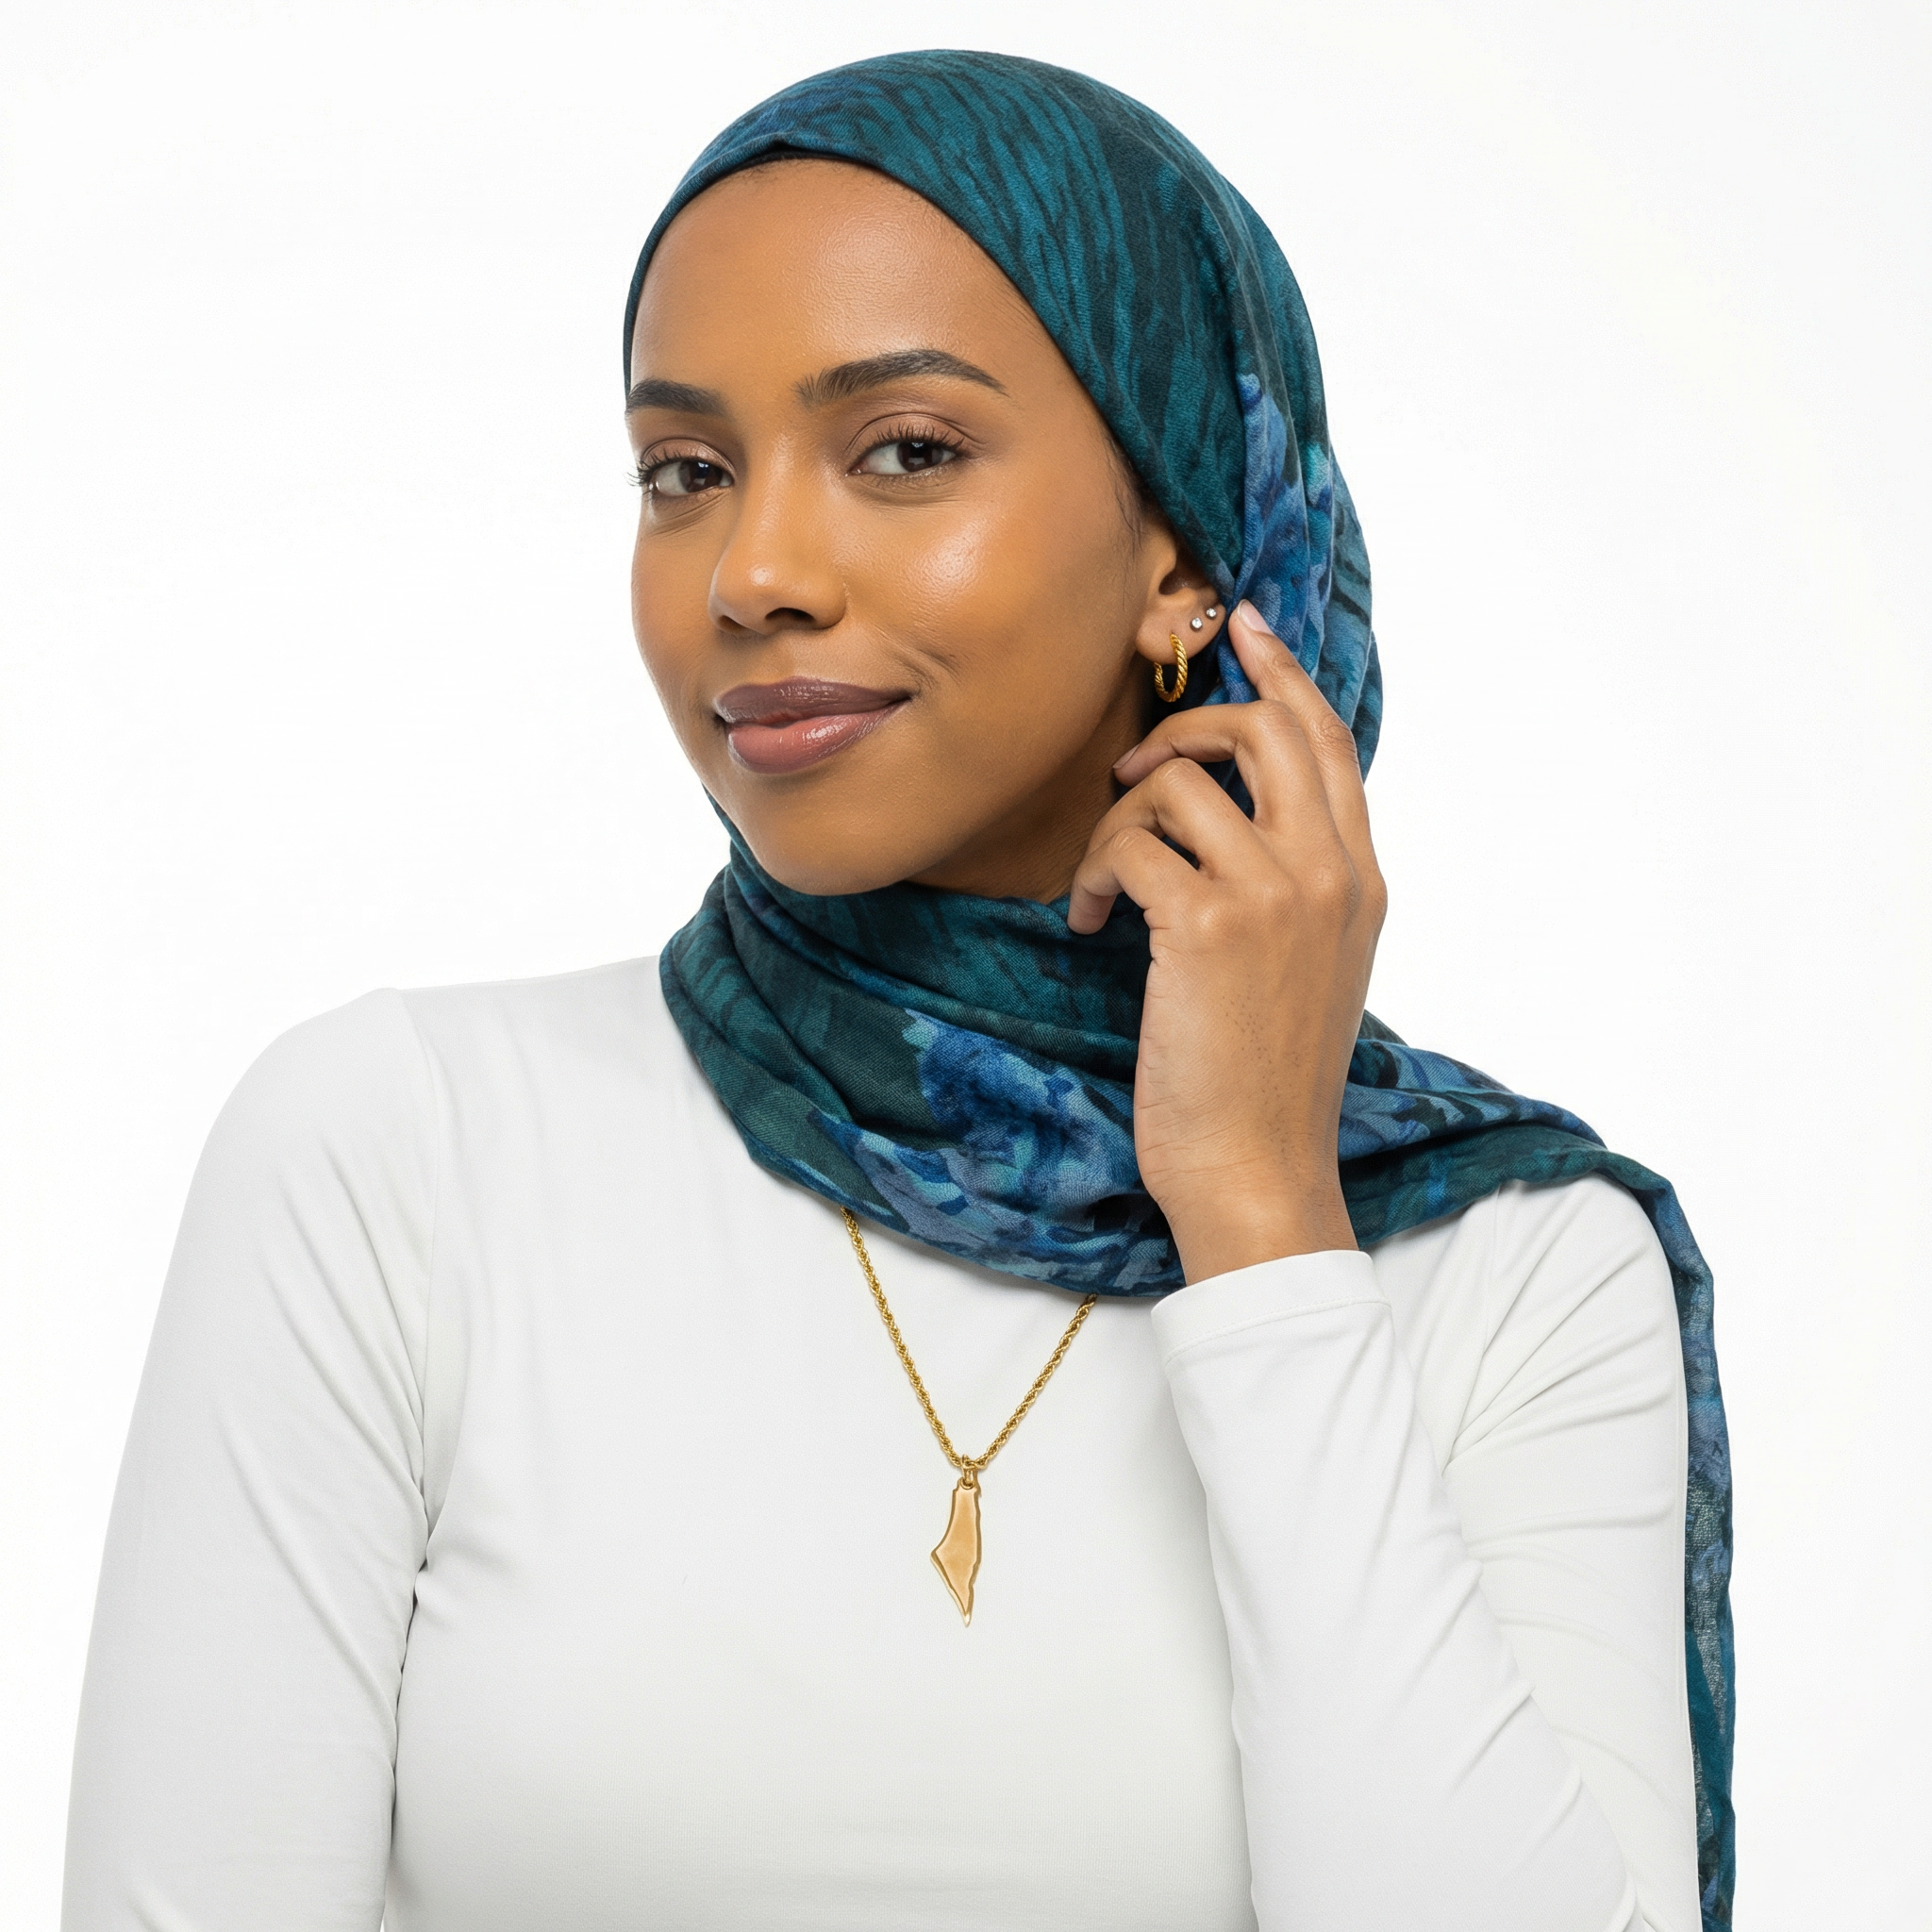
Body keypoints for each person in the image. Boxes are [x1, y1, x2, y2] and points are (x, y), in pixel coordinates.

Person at [61, 49, 1734, 1932]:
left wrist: (1260, 1216)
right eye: (683, 471)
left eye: (905, 451)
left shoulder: (1508, 1264)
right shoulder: (402, 1157)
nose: (753, 570)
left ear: (1178, 543)